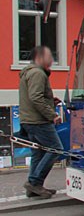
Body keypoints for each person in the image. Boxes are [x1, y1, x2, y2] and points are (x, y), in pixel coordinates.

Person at [18, 45, 63, 199]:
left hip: (29, 120)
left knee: (38, 152)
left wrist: (51, 101)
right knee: (56, 149)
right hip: (39, 121)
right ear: (39, 57)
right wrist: (52, 115)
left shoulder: (29, 73)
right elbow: (36, 97)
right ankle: (35, 182)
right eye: (49, 56)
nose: (52, 59)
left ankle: (33, 186)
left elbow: (35, 97)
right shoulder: (38, 73)